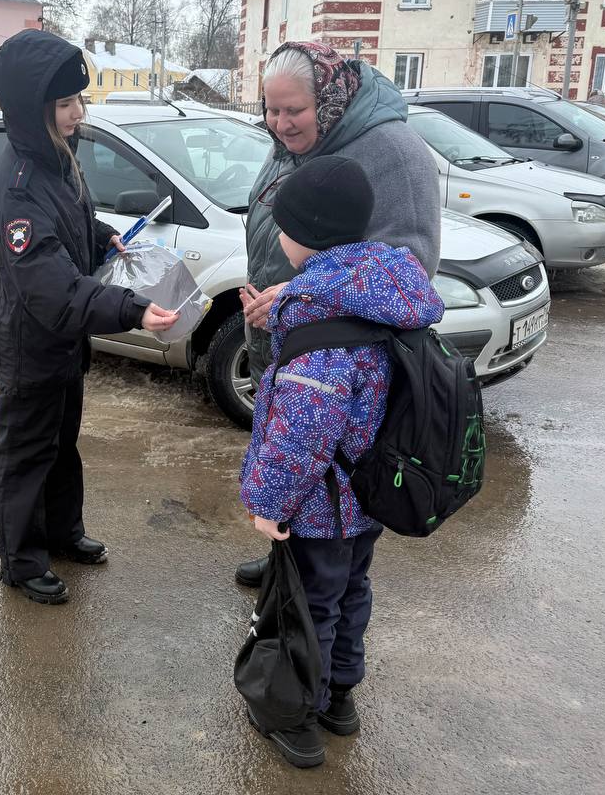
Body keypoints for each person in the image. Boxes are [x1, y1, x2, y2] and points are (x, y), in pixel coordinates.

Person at [239, 155, 445, 768]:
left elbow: (301, 436)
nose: (278, 235)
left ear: (303, 235)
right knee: (352, 591)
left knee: (312, 606)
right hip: (370, 492)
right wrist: (285, 304)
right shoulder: (378, 286)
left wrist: (270, 506)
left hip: (321, 505)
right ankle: (340, 698)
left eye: (282, 225)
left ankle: (297, 715)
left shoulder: (324, 330)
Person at [235, 40, 441, 590]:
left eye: (291, 110)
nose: (279, 123)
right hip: (288, 329)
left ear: (327, 101)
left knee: (327, 467)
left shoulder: (390, 151)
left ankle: (315, 603)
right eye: (270, 110)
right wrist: (280, 300)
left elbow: (409, 266)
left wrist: (303, 293)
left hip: (338, 352)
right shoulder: (301, 138)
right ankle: (290, 555)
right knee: (290, 449)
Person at [0, 28, 179, 606]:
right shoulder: (16, 188)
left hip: (62, 345)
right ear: (34, 109)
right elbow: (53, 290)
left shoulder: (56, 163)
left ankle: (62, 533)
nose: (78, 114)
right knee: (26, 455)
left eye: (80, 101)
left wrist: (103, 237)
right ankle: (20, 561)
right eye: (66, 104)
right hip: (33, 343)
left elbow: (68, 228)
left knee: (62, 444)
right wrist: (134, 309)